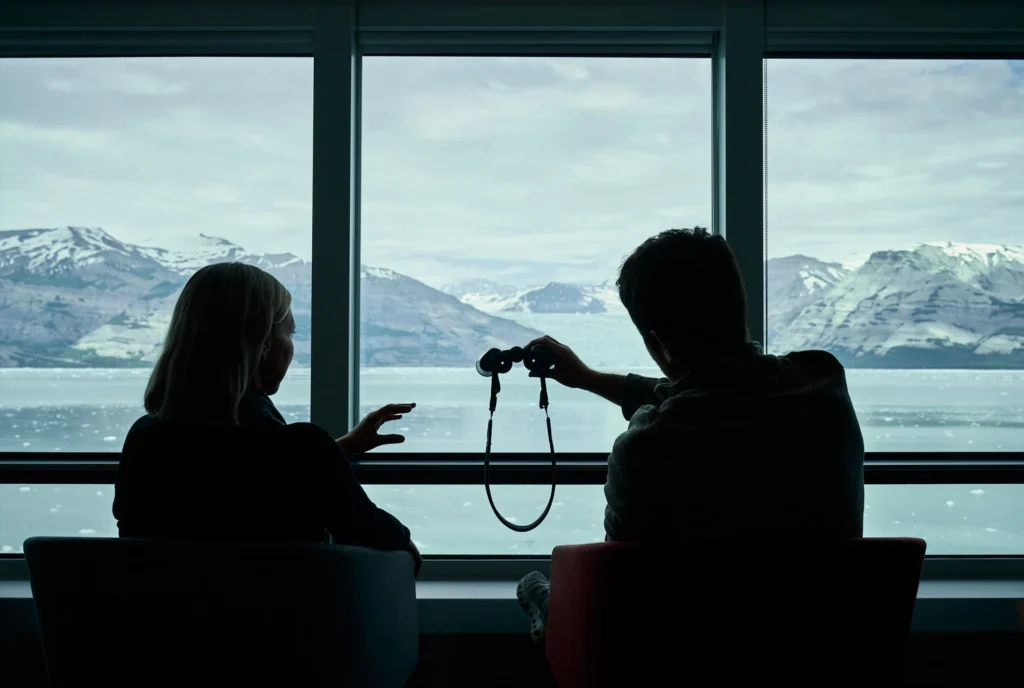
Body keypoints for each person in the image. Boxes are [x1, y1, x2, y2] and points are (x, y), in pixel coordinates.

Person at [516, 228, 864, 641]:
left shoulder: (649, 446)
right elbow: (719, 391)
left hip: (687, 659)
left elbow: (614, 587)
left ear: (658, 343)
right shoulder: (822, 382)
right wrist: (587, 378)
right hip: (818, 646)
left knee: (535, 586)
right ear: (740, 303)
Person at [114, 262, 422, 574]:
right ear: (263, 344)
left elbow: (228, 468)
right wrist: (329, 456)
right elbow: (372, 532)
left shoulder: (145, 439)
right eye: (291, 331)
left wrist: (336, 449)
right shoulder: (300, 449)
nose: (293, 348)